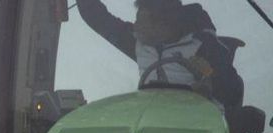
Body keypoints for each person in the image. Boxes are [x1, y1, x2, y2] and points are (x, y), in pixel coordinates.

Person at [78, 0, 243, 111]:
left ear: (164, 23)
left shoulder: (205, 46)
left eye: (141, 20)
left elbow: (232, 93)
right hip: (152, 124)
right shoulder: (139, 42)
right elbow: (98, 19)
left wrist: (208, 83)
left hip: (198, 128)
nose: (135, 26)